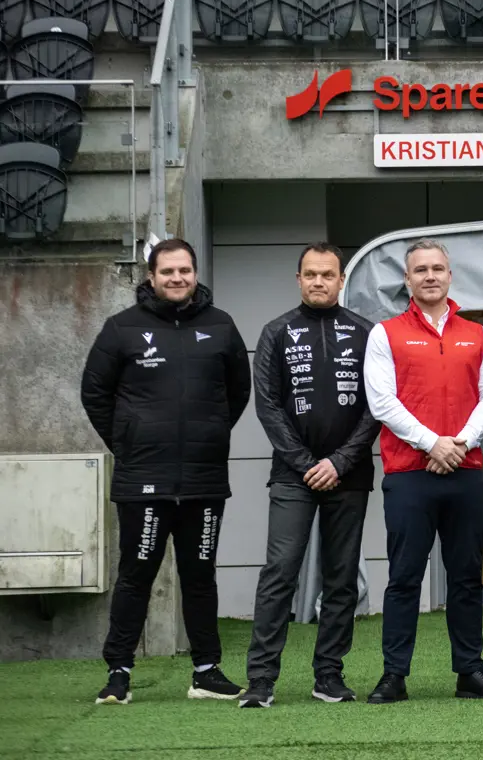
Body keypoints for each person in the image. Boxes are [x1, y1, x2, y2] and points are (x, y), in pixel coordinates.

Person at [80, 238, 252, 705]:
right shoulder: (121, 328)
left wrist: (209, 433)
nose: (177, 278)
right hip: (143, 481)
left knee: (200, 576)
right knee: (136, 575)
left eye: (185, 270)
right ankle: (118, 673)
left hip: (203, 480)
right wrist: (129, 443)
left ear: (195, 274)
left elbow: (237, 392)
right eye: (168, 271)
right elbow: (94, 394)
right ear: (151, 277)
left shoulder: (221, 325)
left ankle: (206, 672)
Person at [362, 238, 483, 703]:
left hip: (464, 470)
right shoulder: (385, 334)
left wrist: (459, 443)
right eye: (420, 270)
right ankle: (394, 675)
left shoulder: (477, 335)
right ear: (407, 280)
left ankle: (470, 671)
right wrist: (433, 443)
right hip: (409, 473)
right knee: (404, 577)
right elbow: (382, 402)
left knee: (466, 577)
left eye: (437, 268)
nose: (430, 276)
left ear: (450, 276)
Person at [238, 243, 381, 709]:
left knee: (341, 577)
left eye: (328, 274)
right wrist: (305, 463)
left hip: (349, 474)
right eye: (311, 274)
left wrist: (339, 461)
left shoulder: (367, 333)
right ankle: (261, 679)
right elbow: (267, 406)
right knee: (280, 572)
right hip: (291, 475)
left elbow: (376, 407)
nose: (319, 281)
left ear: (342, 280)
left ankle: (329, 676)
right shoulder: (276, 331)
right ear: (298, 279)